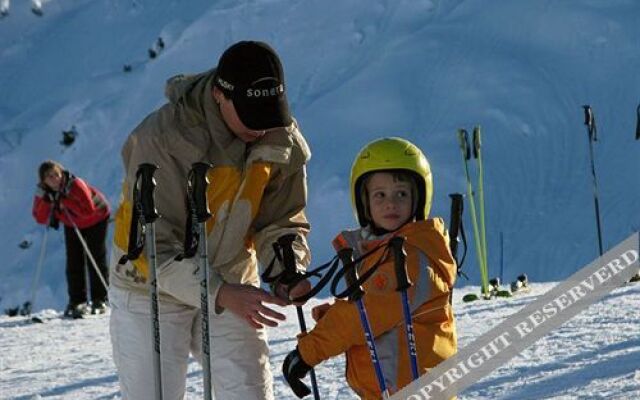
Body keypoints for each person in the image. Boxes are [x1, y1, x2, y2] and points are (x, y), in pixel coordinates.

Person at [109, 40, 312, 400]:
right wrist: (219, 292)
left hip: (230, 269)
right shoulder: (162, 139)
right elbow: (154, 246)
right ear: (220, 94)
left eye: (270, 111)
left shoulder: (281, 137)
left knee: (249, 393)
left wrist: (287, 270)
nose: (262, 128)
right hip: (149, 284)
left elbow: (281, 218)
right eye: (251, 113)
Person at [282, 137, 458, 399]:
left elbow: (366, 314)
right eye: (380, 195)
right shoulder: (384, 251)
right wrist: (331, 317)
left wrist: (309, 351)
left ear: (419, 197)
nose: (391, 203)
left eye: (401, 194)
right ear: (364, 202)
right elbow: (374, 311)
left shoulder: (412, 256)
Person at [32, 160, 111, 317]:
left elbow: (88, 209)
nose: (54, 179)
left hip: (97, 218)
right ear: (43, 180)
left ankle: (100, 299)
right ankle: (77, 301)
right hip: (72, 221)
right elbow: (40, 218)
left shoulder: (75, 184)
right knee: (74, 261)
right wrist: (48, 202)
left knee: (95, 256)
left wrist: (64, 202)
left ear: (62, 174)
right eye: (49, 176)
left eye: (56, 174)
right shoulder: (44, 193)